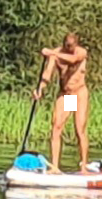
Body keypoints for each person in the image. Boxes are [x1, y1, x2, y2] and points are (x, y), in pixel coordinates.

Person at [36, 31, 93, 171]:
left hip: (79, 93)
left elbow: (73, 60)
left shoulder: (81, 52)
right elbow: (48, 73)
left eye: (72, 46)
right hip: (68, 95)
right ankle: (55, 167)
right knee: (56, 126)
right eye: (67, 46)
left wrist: (51, 53)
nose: (69, 49)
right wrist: (40, 88)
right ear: (64, 44)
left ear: (76, 44)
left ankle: (84, 167)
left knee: (79, 129)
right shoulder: (56, 54)